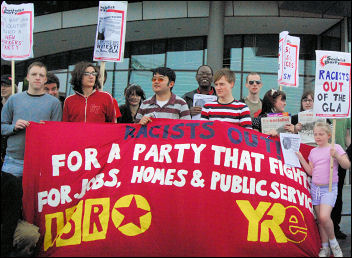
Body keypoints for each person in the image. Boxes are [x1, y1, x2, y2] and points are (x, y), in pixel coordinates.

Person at [1, 61, 62, 256]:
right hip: (13, 161)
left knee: (35, 206)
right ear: (27, 78)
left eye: (41, 75)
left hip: (40, 163)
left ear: (45, 80)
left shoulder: (54, 103)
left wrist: (47, 131)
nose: (37, 78)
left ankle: (30, 244)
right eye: (34, 74)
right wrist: (13, 127)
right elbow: (1, 126)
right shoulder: (14, 100)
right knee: (10, 205)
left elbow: (57, 134)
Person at [296, 122, 350, 257]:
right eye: (315, 134)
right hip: (315, 188)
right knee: (321, 221)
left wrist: (336, 155)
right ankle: (325, 247)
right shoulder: (313, 152)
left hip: (329, 188)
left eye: (321, 134)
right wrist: (301, 158)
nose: (317, 137)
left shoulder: (335, 147)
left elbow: (347, 165)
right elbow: (311, 172)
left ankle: (334, 244)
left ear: (329, 135)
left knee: (324, 216)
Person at [331, 118, 351, 239]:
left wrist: (347, 153)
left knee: (337, 194)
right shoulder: (321, 110)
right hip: (324, 155)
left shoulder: (345, 114)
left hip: (340, 156)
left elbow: (347, 135)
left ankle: (335, 226)